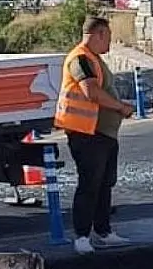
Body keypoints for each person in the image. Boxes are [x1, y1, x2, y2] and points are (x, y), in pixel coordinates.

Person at [54, 16, 135, 254]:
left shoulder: (95, 59)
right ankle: (81, 236)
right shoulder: (81, 58)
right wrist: (120, 107)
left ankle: (103, 231)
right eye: (108, 37)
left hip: (104, 133)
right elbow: (91, 92)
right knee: (90, 184)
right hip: (87, 133)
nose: (110, 42)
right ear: (98, 34)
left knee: (104, 184)